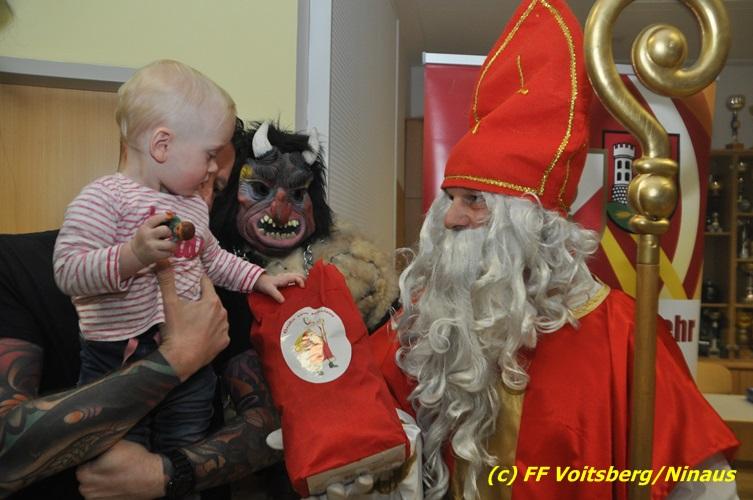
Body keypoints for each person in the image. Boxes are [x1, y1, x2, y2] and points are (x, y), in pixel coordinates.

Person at [370, 0, 740, 499]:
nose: (450, 218)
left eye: (474, 201)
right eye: (449, 199)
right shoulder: (434, 319)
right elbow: (357, 397)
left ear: (530, 224)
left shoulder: (623, 335)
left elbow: (704, 485)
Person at [53, 60, 303, 460]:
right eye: (209, 154)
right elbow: (68, 271)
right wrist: (131, 256)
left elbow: (214, 259)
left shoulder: (192, 206)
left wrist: (258, 278)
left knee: (188, 438)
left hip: (190, 355)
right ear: (162, 145)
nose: (212, 168)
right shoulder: (103, 198)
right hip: (117, 359)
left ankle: (174, 478)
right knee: (119, 449)